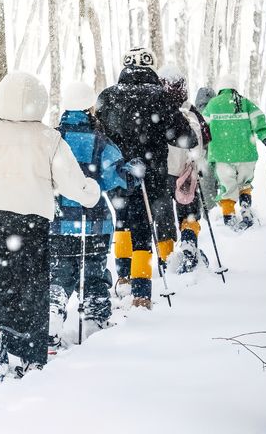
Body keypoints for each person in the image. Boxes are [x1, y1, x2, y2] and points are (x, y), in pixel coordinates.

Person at [0, 70, 100, 386]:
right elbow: (73, 183)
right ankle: (31, 355)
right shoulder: (48, 139)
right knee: (32, 285)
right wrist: (90, 193)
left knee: (0, 280)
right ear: (38, 102)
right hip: (33, 221)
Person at [96, 48, 197, 308]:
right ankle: (141, 292)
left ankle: (123, 276)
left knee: (122, 221)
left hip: (117, 172)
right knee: (142, 228)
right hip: (150, 175)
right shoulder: (160, 98)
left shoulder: (107, 97)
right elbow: (185, 137)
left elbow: (98, 132)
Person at [49, 81, 131, 349]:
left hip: (59, 223)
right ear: (89, 108)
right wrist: (131, 171)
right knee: (93, 275)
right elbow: (114, 178)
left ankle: (52, 313)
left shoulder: (52, 140)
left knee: (60, 275)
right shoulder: (101, 142)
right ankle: (95, 321)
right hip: (94, 224)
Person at [202, 72, 266, 230]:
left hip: (221, 155)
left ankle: (229, 216)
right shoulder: (245, 103)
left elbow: (202, 127)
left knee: (228, 186)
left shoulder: (212, 105)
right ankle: (246, 210)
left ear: (220, 89)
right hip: (246, 154)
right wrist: (264, 136)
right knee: (244, 183)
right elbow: (258, 119)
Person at [160, 65, 211, 274]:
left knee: (162, 216)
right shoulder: (191, 112)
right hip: (187, 172)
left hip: (163, 173)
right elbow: (206, 138)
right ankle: (189, 241)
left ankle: (166, 257)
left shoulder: (158, 112)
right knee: (189, 211)